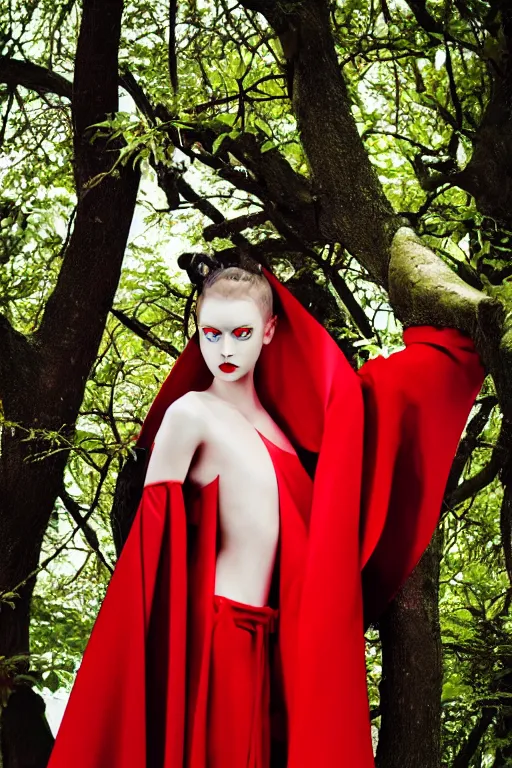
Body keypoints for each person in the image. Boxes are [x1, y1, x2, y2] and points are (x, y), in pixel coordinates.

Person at [47, 257, 485, 768]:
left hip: (273, 644)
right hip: (214, 643)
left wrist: (437, 361)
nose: (226, 349)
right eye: (211, 333)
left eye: (241, 333)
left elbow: (360, 431)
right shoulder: (190, 414)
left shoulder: (285, 430)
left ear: (270, 330)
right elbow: (147, 559)